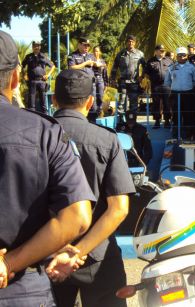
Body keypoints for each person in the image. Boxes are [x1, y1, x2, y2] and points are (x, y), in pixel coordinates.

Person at [0, 30, 94, 306]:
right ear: (16, 78)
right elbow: (77, 216)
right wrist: (10, 262)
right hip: (21, 289)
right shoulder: (44, 132)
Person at [50, 69, 136, 307]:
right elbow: (118, 209)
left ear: (54, 100)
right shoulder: (107, 140)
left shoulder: (36, 137)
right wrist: (78, 252)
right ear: (90, 101)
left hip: (44, 259)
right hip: (98, 256)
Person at [164, 47, 195, 140]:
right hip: (175, 94)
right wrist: (175, 86)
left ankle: (188, 135)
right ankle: (176, 135)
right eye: (180, 55)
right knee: (176, 115)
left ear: (187, 56)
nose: (182, 57)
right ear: (176, 56)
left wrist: (188, 86)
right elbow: (167, 82)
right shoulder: (171, 68)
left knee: (188, 115)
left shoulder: (192, 67)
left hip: (188, 94)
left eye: (184, 55)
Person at [110, 35, 145, 116]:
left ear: (135, 43)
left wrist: (142, 76)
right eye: (129, 41)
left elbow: (145, 66)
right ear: (126, 42)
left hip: (134, 82)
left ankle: (133, 122)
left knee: (134, 103)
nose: (130, 43)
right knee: (121, 102)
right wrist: (112, 79)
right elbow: (114, 67)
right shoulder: (121, 54)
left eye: (132, 41)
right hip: (123, 82)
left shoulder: (140, 54)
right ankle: (121, 121)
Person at [144, 44, 173, 128]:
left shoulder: (169, 60)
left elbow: (174, 71)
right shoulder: (150, 61)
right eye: (161, 51)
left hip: (167, 85)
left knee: (167, 104)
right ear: (156, 51)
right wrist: (152, 79)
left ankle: (167, 121)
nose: (162, 52)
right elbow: (146, 73)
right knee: (156, 104)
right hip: (156, 85)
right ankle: (157, 121)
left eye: (163, 51)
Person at [22, 40, 55, 113]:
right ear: (32, 47)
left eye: (38, 46)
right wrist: (24, 74)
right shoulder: (28, 56)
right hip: (32, 81)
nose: (36, 47)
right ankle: (31, 118)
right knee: (31, 103)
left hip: (41, 81)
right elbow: (22, 66)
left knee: (43, 102)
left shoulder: (43, 56)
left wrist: (48, 75)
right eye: (35, 46)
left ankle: (46, 117)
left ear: (40, 47)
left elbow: (53, 66)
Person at [92, 46, 108, 117]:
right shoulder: (91, 61)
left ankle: (100, 112)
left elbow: (105, 73)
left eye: (97, 51)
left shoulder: (102, 61)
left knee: (100, 96)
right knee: (93, 96)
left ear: (100, 52)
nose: (96, 52)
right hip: (92, 80)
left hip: (100, 80)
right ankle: (94, 112)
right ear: (93, 52)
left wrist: (106, 84)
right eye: (95, 51)